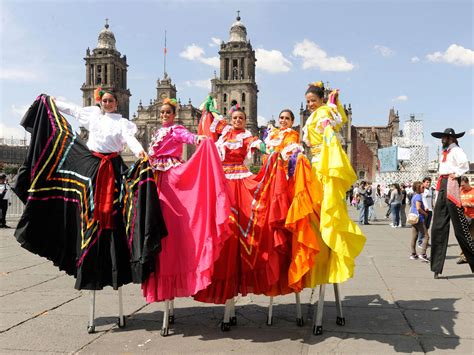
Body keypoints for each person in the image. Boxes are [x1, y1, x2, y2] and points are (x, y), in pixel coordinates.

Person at [14, 92, 166, 290]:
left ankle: (115, 256)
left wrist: (139, 152)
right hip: (91, 166)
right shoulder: (93, 115)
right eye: (105, 100)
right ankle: (81, 248)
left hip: (113, 166)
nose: (108, 103)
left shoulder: (123, 123)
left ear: (116, 103)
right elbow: (73, 110)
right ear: (100, 102)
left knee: (121, 210)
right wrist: (52, 101)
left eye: (111, 101)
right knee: (82, 203)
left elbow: (130, 138)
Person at [194, 108, 291, 303]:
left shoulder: (247, 136)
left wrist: (273, 151)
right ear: (232, 120)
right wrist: (208, 108)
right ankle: (220, 272)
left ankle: (243, 269)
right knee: (220, 227)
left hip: (239, 182)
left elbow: (260, 146)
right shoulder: (224, 135)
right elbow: (211, 120)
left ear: (246, 121)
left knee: (243, 227)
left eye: (241, 118)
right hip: (221, 181)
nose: (237, 120)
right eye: (235, 118)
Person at [141, 98, 231, 302]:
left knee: (171, 216)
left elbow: (189, 137)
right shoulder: (157, 132)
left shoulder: (176, 130)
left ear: (174, 115)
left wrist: (201, 139)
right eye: (162, 113)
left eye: (167, 113)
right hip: (155, 175)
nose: (164, 115)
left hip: (170, 175)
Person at [299, 81, 366, 286]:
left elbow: (334, 125)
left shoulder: (323, 113)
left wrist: (330, 110)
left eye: (313, 100)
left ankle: (330, 248)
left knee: (327, 207)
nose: (310, 104)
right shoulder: (314, 115)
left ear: (320, 99)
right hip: (315, 163)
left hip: (324, 164)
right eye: (308, 101)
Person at [430, 128, 473, 278]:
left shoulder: (456, 150)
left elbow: (464, 165)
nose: (442, 139)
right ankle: (436, 266)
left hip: (451, 183)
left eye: (444, 137)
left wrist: (458, 174)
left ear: (451, 138)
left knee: (460, 228)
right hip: (443, 184)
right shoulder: (446, 151)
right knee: (438, 226)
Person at [409, 181, 430, 262]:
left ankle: (413, 254)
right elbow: (418, 208)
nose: (424, 188)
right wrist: (425, 214)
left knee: (414, 236)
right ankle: (423, 254)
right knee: (426, 236)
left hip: (413, 218)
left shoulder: (414, 196)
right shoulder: (418, 197)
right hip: (419, 219)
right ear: (418, 188)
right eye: (422, 187)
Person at [458, 176, 474, 264]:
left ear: (468, 182)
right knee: (463, 238)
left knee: (472, 238)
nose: (461, 187)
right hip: (463, 217)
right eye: (460, 185)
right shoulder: (460, 192)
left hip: (473, 217)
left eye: (463, 185)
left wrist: (470, 204)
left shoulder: (473, 190)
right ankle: (463, 256)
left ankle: (471, 256)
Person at [418, 177, 434, 248]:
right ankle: (420, 242)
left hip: (430, 210)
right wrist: (424, 207)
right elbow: (420, 199)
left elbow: (430, 199)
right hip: (424, 211)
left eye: (429, 182)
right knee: (422, 227)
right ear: (423, 182)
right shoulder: (422, 190)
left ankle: (425, 241)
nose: (428, 183)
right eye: (427, 182)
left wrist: (432, 205)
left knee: (427, 227)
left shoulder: (430, 189)